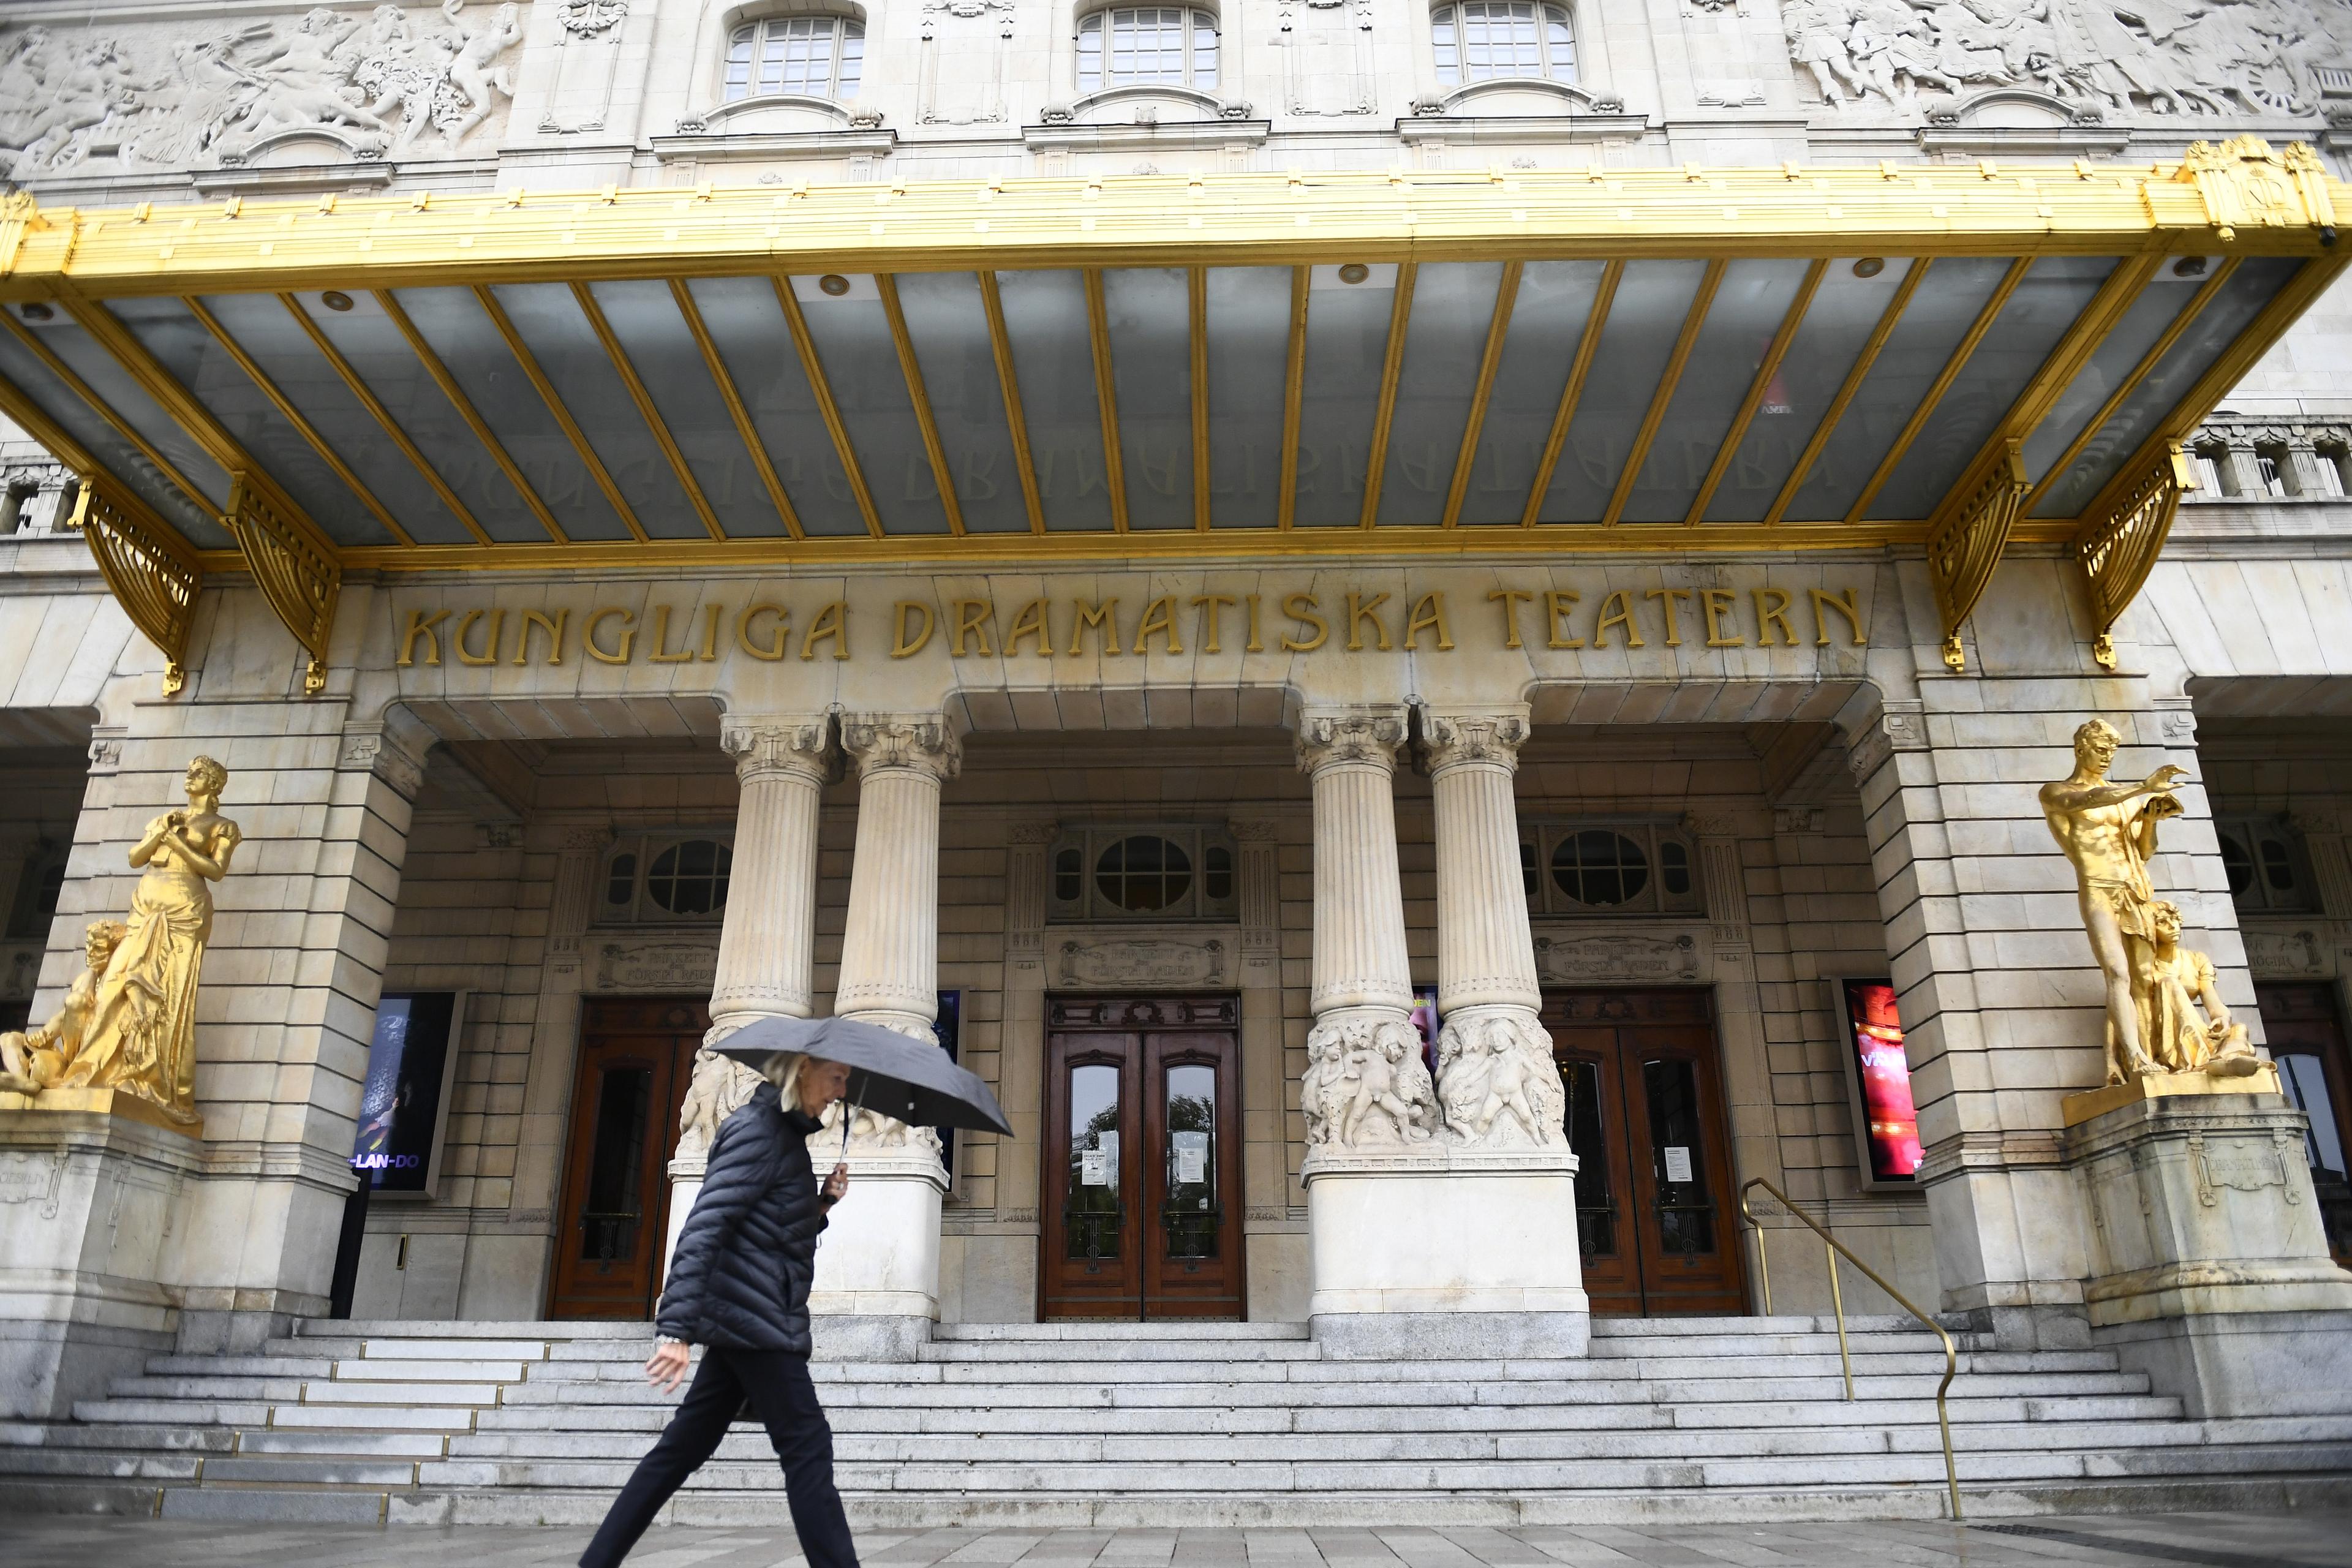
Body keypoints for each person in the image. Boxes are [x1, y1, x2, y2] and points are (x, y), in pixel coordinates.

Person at [578, 1050, 858, 1568]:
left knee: (679, 1451)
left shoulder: (784, 1137)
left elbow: (769, 1228)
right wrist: (677, 1330)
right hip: (757, 1319)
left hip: (751, 1315)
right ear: (802, 1071)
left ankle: (596, 1563)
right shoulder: (759, 1131)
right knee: (808, 1445)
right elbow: (706, 1225)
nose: (841, 1091)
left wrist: (822, 1204)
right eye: (836, 1076)